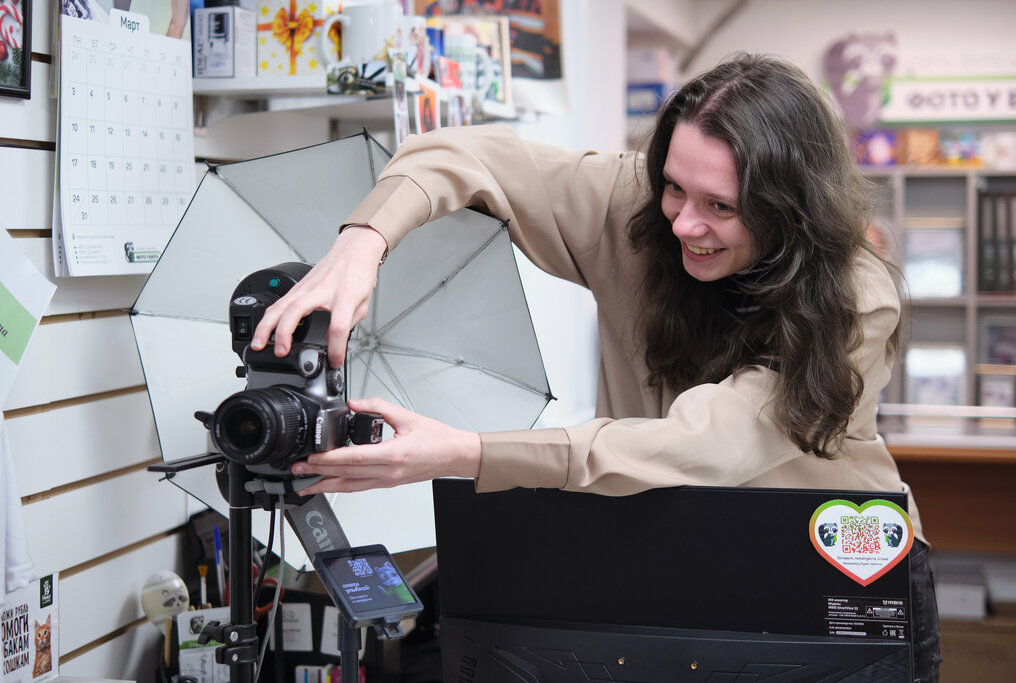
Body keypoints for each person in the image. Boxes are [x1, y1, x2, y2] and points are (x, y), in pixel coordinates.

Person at [251, 53, 941, 680]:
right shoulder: (636, 207)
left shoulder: (856, 299)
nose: (684, 224)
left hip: (837, 573)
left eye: (721, 207)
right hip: (670, 567)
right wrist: (362, 243)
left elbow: (705, 446)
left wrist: (467, 453)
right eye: (674, 187)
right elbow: (462, 153)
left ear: (790, 210)